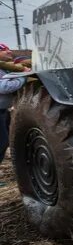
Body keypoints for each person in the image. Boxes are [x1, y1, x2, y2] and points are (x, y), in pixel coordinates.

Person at [0, 44, 26, 186]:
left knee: (4, 143)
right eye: (4, 50)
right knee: (2, 142)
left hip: (4, 111)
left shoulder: (5, 68)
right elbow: (4, 87)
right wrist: (24, 78)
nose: (9, 51)